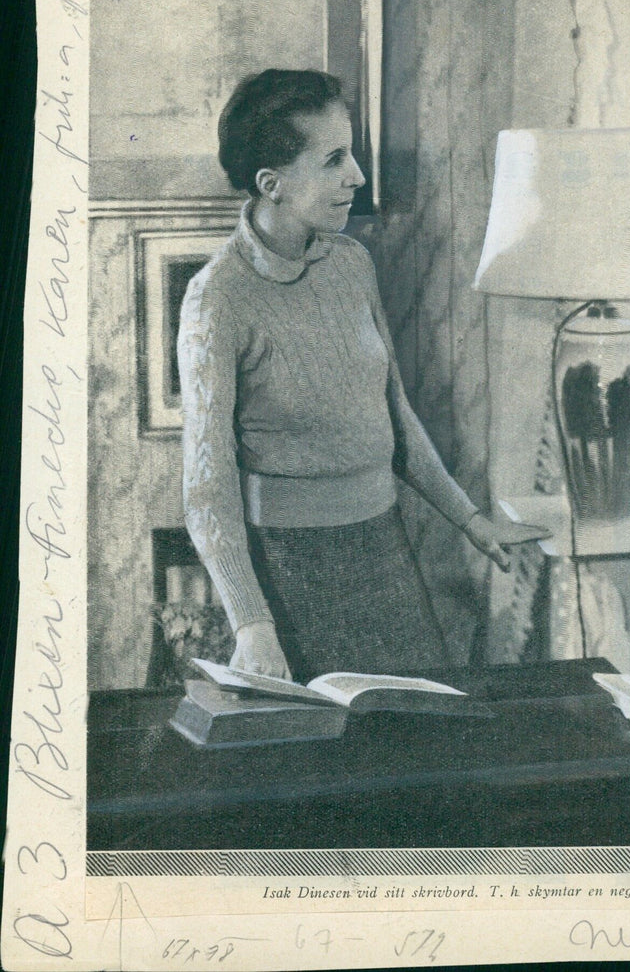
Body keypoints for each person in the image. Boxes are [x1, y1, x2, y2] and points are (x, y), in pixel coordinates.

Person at [178, 68, 522, 681]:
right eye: (335, 159)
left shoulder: (351, 264)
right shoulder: (217, 298)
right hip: (288, 567)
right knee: (329, 757)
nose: (357, 175)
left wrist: (469, 519)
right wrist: (251, 625)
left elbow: (394, 414)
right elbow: (208, 485)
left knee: (421, 724)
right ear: (272, 183)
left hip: (382, 545)